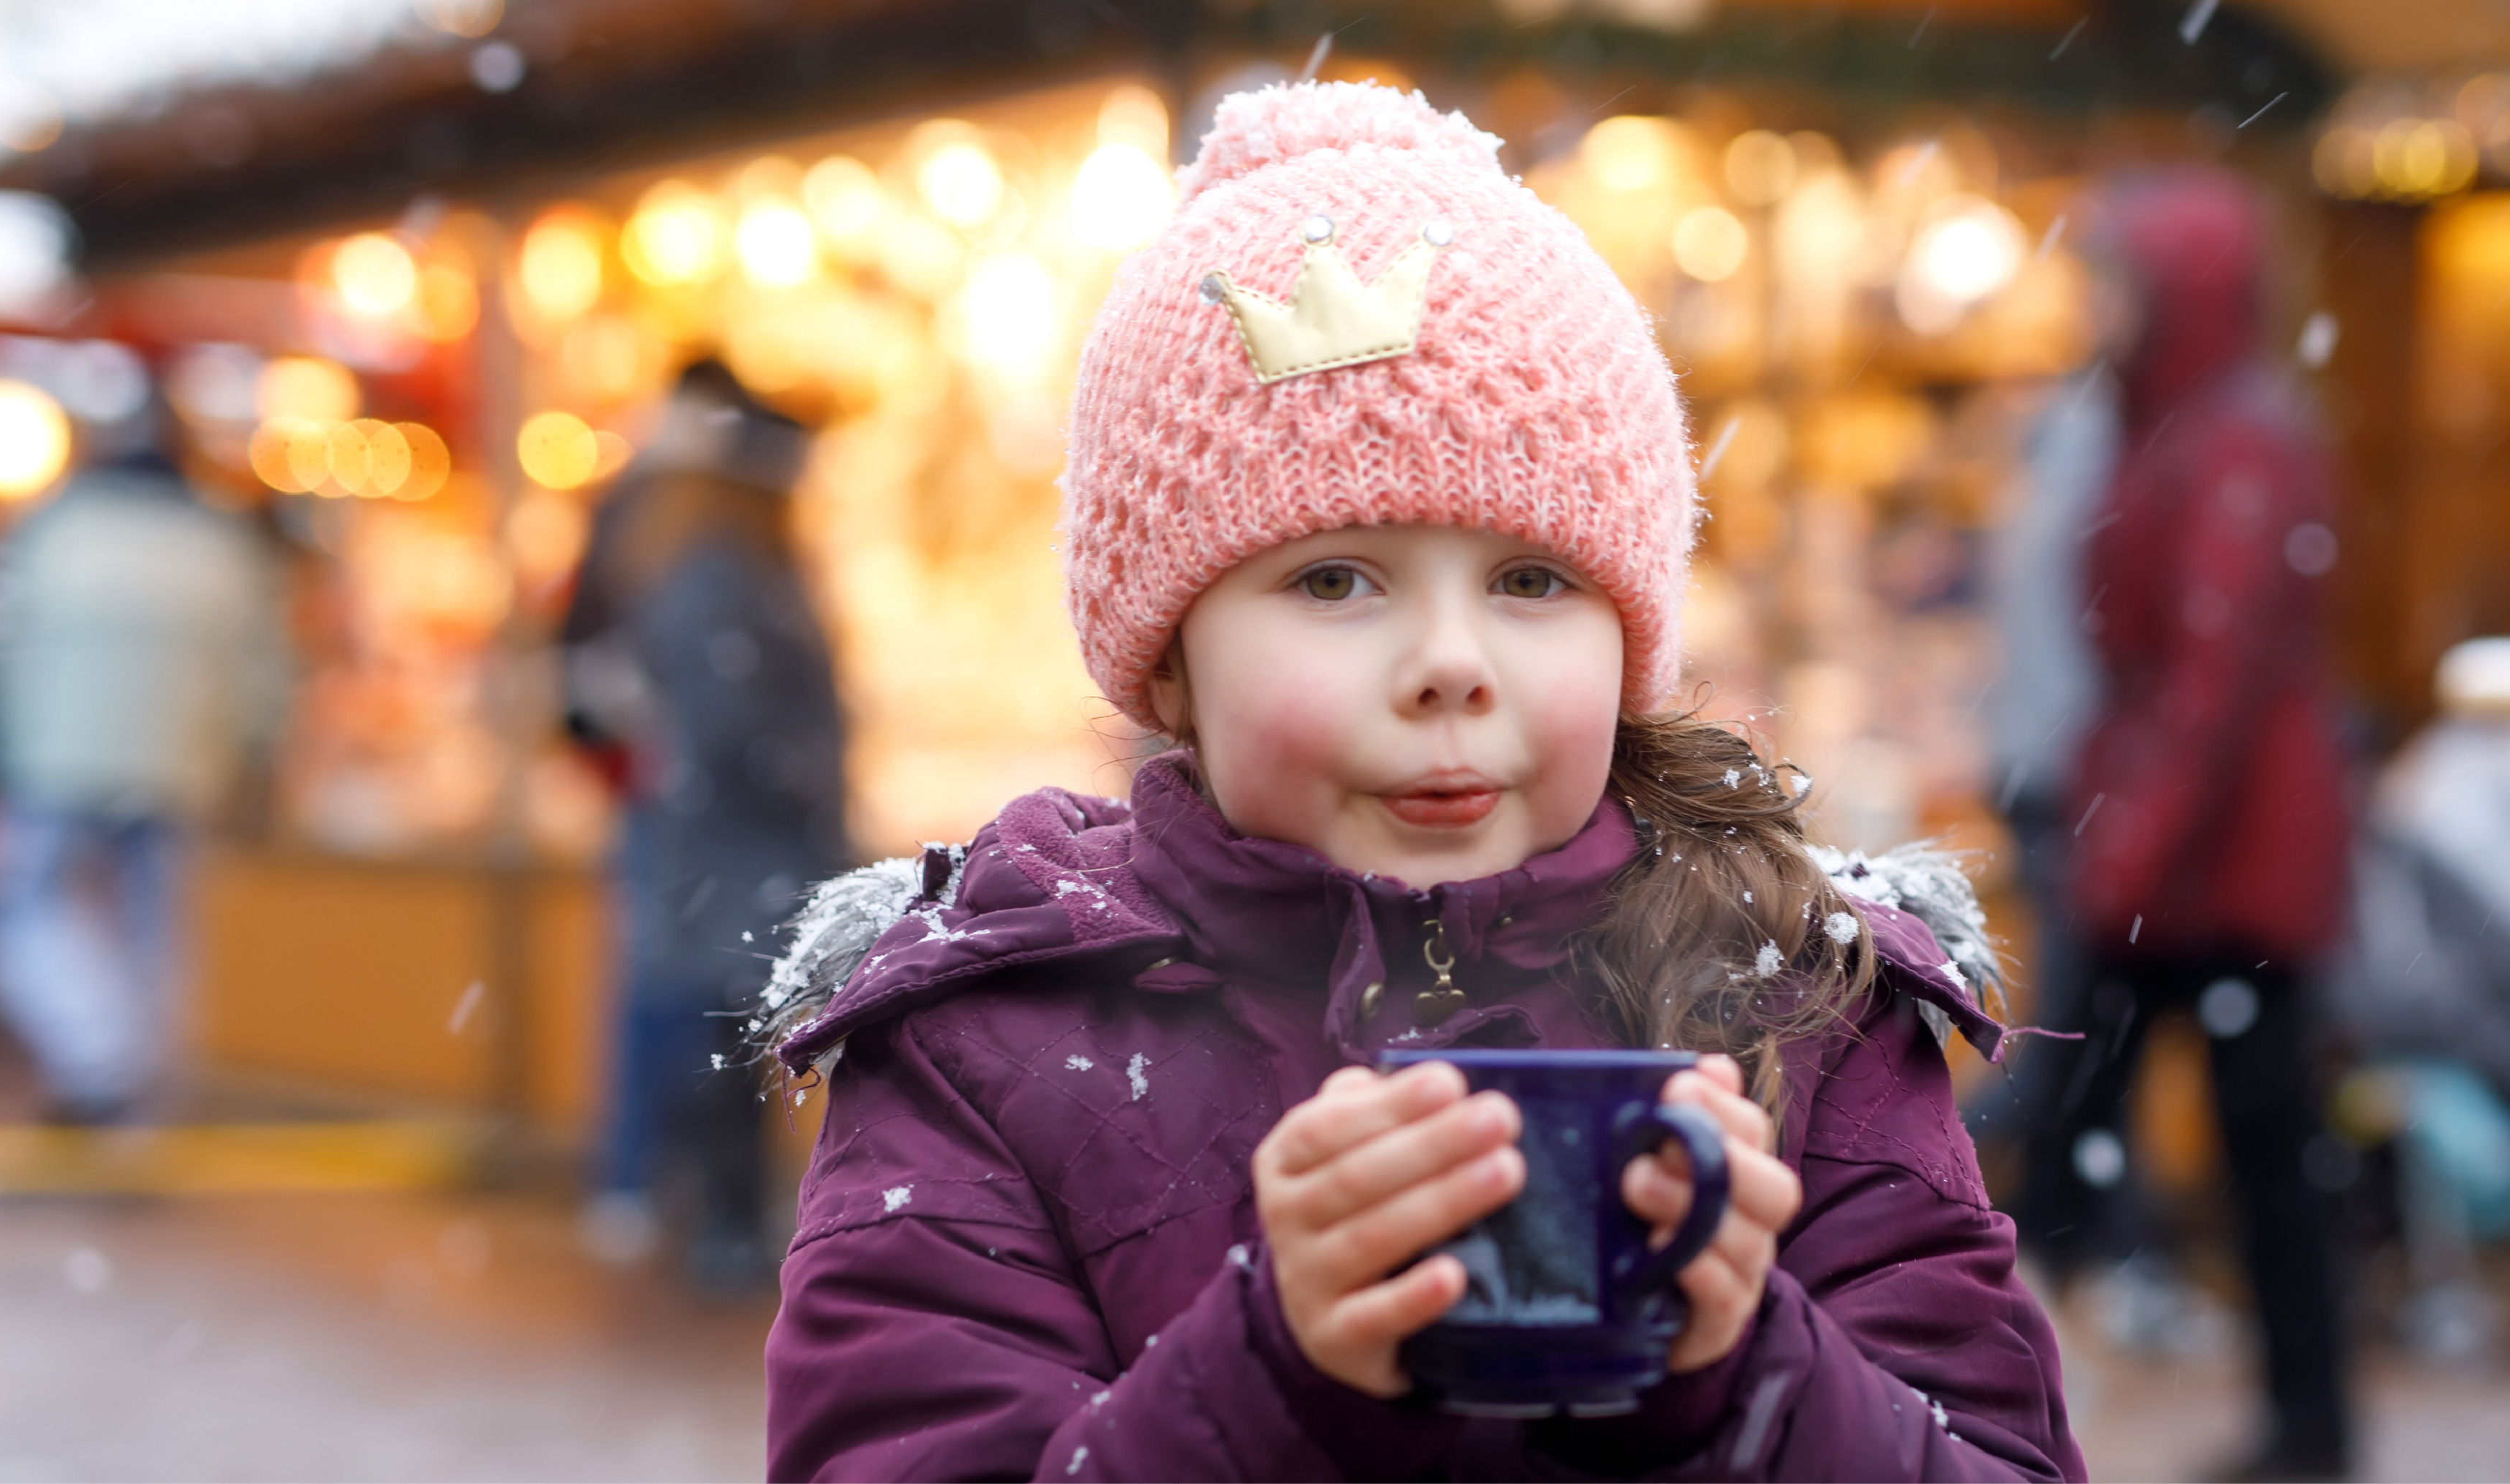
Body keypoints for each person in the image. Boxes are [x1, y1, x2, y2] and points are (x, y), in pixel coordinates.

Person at [752, 83, 2076, 1480]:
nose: (1451, 663)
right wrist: (1269, 1376)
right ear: (1166, 664)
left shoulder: (1800, 1006)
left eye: (1530, 580)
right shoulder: (993, 1050)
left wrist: (1746, 1373)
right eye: (1333, 580)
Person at [2008, 169, 2354, 1481]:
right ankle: (2289, 1424)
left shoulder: (2228, 441)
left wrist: (2119, 859)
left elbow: (2207, 679)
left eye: (2115, 283)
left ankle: (2296, 1427)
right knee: (2170, 1146)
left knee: (2199, 1151)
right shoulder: (2184, 426)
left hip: (2223, 868)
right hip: (2197, 856)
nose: (2094, 308)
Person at [559, 360, 847, 1293]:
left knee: (718, 1015)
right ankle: (711, 1217)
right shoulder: (728, 573)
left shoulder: (700, 556)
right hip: (739, 829)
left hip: (718, 828)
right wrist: (801, 777)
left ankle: (702, 1208)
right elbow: (737, 717)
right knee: (724, 1021)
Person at [0, 389, 287, 1124]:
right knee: (156, 931)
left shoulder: (51, 528)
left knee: (26, 913)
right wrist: (253, 759)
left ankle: (101, 1058)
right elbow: (264, 669)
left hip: (53, 758)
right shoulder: (222, 543)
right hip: (178, 764)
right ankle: (135, 1080)